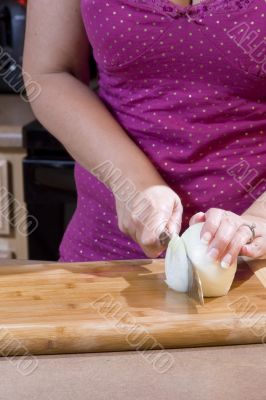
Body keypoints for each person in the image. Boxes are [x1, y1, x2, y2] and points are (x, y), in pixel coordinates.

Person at [23, 0, 266, 267]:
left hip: (255, 258)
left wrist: (260, 220)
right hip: (108, 256)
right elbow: (50, 73)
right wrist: (131, 181)